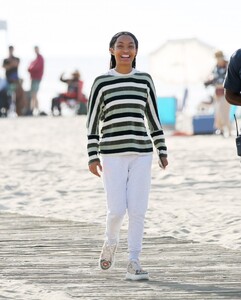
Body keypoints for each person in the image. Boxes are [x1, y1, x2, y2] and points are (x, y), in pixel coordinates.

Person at [86, 31, 168, 281]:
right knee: (117, 211)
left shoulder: (144, 80)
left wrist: (161, 148)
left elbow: (152, 115)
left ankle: (134, 261)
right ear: (111, 50)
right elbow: (92, 121)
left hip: (142, 153)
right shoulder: (102, 81)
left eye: (130, 46)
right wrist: (92, 155)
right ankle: (111, 242)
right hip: (111, 154)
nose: (125, 49)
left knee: (138, 210)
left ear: (135, 51)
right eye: (120, 45)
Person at [204, 50, 231, 136]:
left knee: (224, 112)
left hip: (226, 92)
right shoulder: (216, 67)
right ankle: (221, 129)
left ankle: (229, 130)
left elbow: (230, 79)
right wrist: (209, 81)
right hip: (217, 93)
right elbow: (211, 76)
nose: (218, 59)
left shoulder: (228, 66)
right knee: (217, 112)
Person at [2, 45, 20, 115]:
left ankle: (14, 109)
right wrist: (10, 64)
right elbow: (4, 67)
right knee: (8, 94)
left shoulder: (16, 58)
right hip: (7, 80)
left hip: (14, 80)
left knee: (14, 95)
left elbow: (16, 64)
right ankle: (8, 109)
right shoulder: (6, 59)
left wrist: (10, 64)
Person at [27, 46, 44, 115]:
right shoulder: (35, 59)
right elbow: (30, 67)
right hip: (33, 78)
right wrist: (30, 69)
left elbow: (35, 68)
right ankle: (34, 109)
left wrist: (30, 69)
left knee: (34, 94)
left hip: (37, 78)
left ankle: (35, 109)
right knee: (33, 95)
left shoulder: (40, 58)